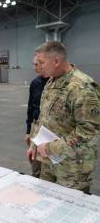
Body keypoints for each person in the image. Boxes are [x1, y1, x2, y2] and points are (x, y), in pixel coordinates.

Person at [27, 41, 100, 192]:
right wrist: (34, 144)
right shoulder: (51, 81)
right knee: (46, 200)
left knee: (71, 209)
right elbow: (44, 118)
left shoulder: (82, 87)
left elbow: (88, 132)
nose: (39, 67)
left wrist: (51, 148)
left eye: (41, 62)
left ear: (56, 61)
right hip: (49, 160)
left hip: (72, 167)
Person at [24, 55, 49, 178]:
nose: (34, 68)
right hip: (36, 125)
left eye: (36, 65)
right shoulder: (35, 83)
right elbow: (30, 107)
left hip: (50, 129)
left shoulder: (55, 82)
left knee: (48, 161)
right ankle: (36, 178)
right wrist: (28, 131)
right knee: (35, 161)